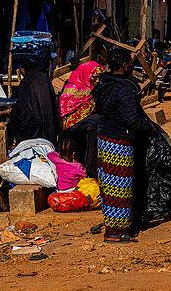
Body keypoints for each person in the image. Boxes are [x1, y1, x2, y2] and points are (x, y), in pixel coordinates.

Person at [93, 47, 149, 243]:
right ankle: (117, 231)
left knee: (109, 186)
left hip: (104, 138)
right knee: (120, 186)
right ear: (125, 66)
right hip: (120, 141)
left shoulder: (104, 83)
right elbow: (132, 119)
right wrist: (147, 126)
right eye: (131, 63)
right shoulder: (124, 89)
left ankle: (112, 227)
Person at [7, 38, 59, 145]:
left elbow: (26, 117)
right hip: (48, 141)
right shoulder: (46, 83)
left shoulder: (26, 84)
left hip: (32, 144)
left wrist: (9, 112)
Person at [58, 61, 104, 175]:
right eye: (94, 77)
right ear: (86, 74)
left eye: (99, 78)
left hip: (88, 135)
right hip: (72, 134)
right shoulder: (71, 89)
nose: (97, 81)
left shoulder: (96, 90)